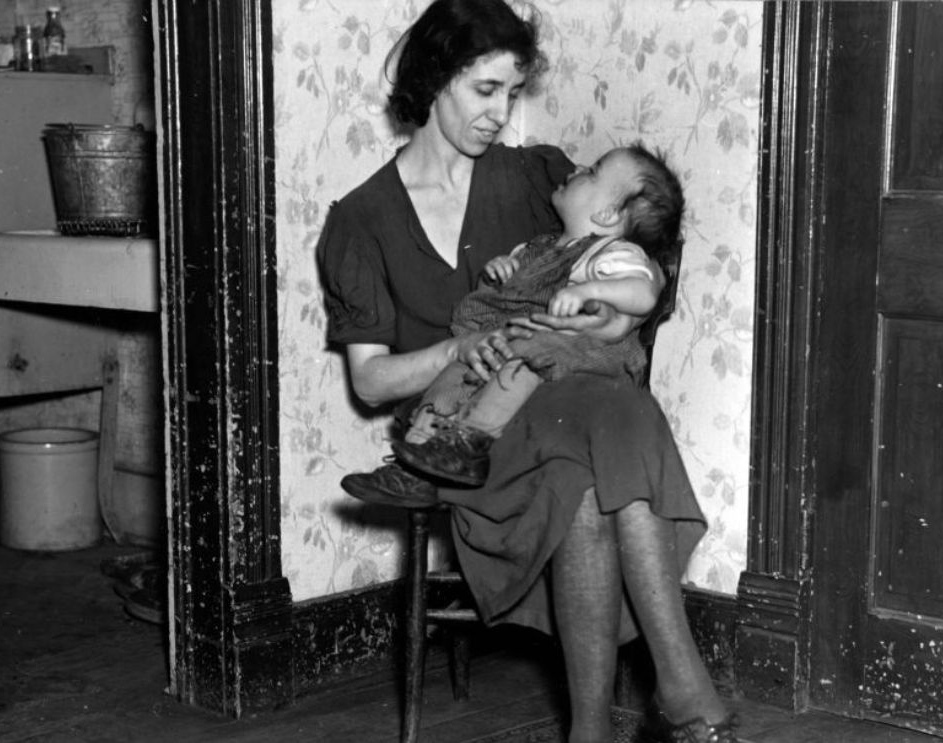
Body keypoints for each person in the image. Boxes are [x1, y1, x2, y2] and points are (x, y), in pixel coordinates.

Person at [315, 2, 738, 741]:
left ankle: (600, 728)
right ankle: (678, 691)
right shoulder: (362, 219)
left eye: (511, 92)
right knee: (594, 454)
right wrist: (456, 349)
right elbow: (373, 382)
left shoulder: (534, 173)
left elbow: (626, 247)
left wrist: (615, 317)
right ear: (434, 80)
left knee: (602, 419)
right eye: (485, 90)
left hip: (572, 397)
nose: (500, 113)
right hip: (469, 431)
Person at [342, 142, 682, 495]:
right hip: (516, 339)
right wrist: (497, 273)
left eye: (593, 171)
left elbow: (643, 293)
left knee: (523, 358)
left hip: (572, 355)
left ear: (609, 215)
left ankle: (473, 440)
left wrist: (588, 292)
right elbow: (504, 299)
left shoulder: (610, 252)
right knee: (461, 367)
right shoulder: (540, 247)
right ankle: (417, 456)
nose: (579, 169)